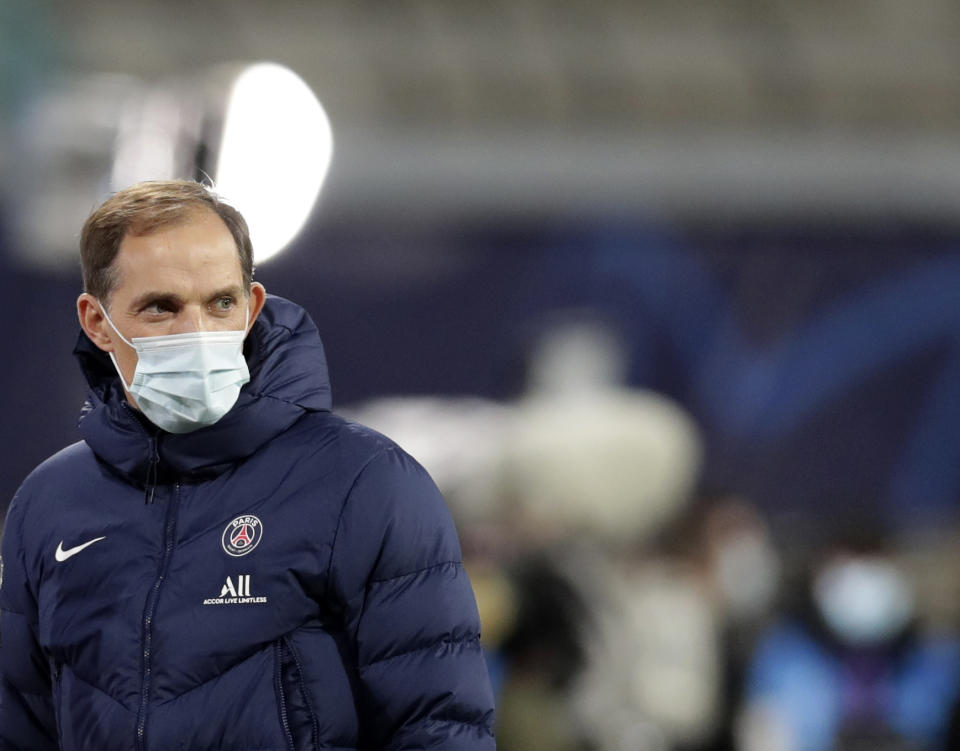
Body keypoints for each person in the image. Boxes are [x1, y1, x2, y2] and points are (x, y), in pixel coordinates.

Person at [0, 180, 496, 750]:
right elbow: (21, 726)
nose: (198, 333)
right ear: (95, 322)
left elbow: (440, 728)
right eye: (161, 307)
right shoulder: (49, 503)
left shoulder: (365, 483)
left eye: (220, 303)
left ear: (252, 305)